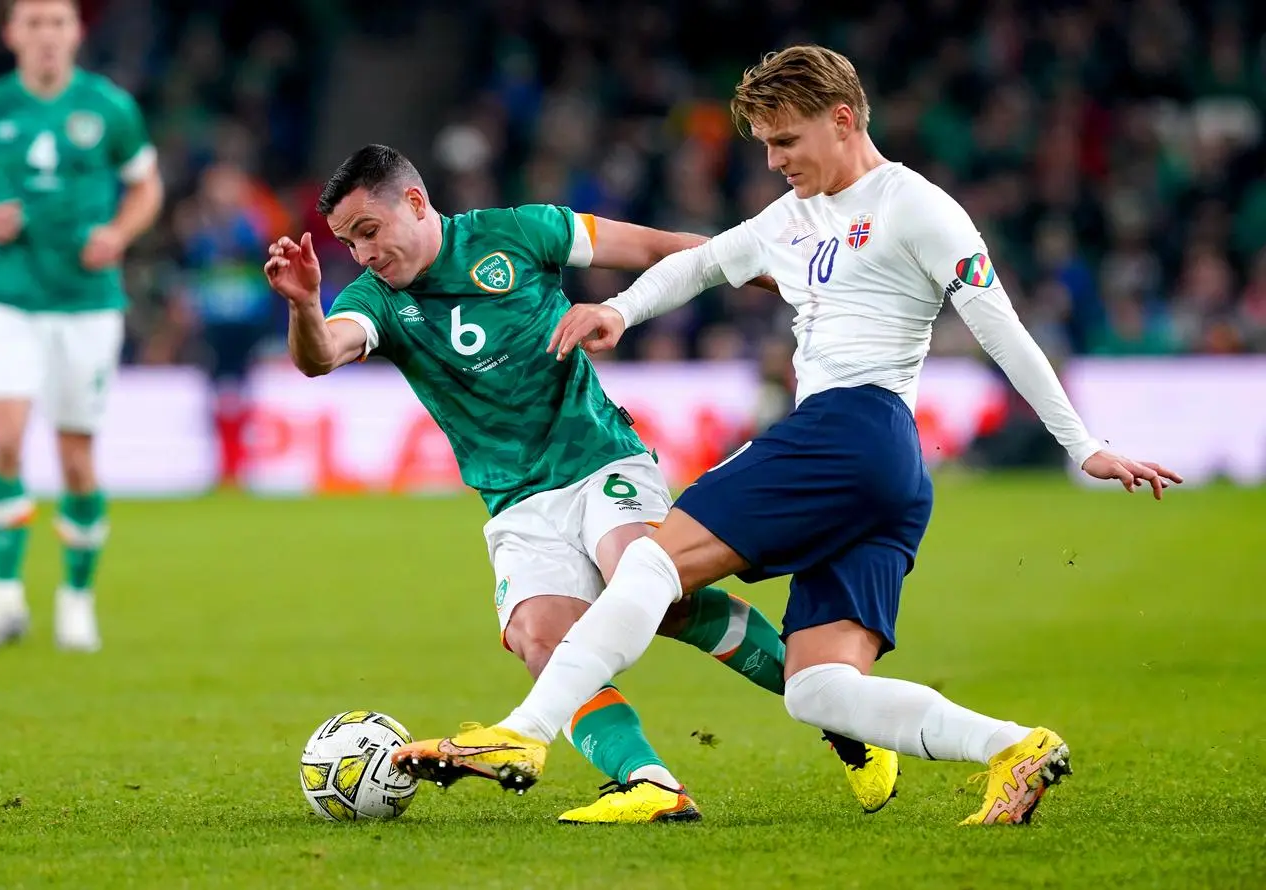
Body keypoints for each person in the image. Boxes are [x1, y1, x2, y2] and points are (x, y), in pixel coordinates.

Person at [391, 45, 1184, 826]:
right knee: (819, 689)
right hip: (886, 472)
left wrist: (1082, 445)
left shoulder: (918, 207)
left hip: (851, 426)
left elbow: (1001, 326)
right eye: (764, 143)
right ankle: (1017, 747)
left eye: (785, 140)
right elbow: (700, 265)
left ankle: (524, 736)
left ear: (842, 120)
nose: (771, 160)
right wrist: (620, 311)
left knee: (653, 564)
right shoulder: (791, 217)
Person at [263, 143, 898, 823]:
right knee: (544, 640)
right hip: (515, 502)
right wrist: (304, 305)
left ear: (414, 204)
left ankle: (849, 723)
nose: (362, 255)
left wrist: (780, 274)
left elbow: (659, 249)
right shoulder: (377, 302)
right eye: (349, 243)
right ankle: (651, 784)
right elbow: (323, 354)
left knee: (654, 586)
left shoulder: (520, 231)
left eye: (369, 232)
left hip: (599, 460)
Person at [0, 0, 164, 652]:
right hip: (7, 297)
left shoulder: (110, 107)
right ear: (11, 34)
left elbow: (147, 187)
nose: (46, 36)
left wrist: (117, 233)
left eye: (57, 22)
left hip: (88, 303)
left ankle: (76, 599)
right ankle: (4, 597)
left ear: (75, 32)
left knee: (75, 459)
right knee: (4, 440)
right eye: (32, 23)